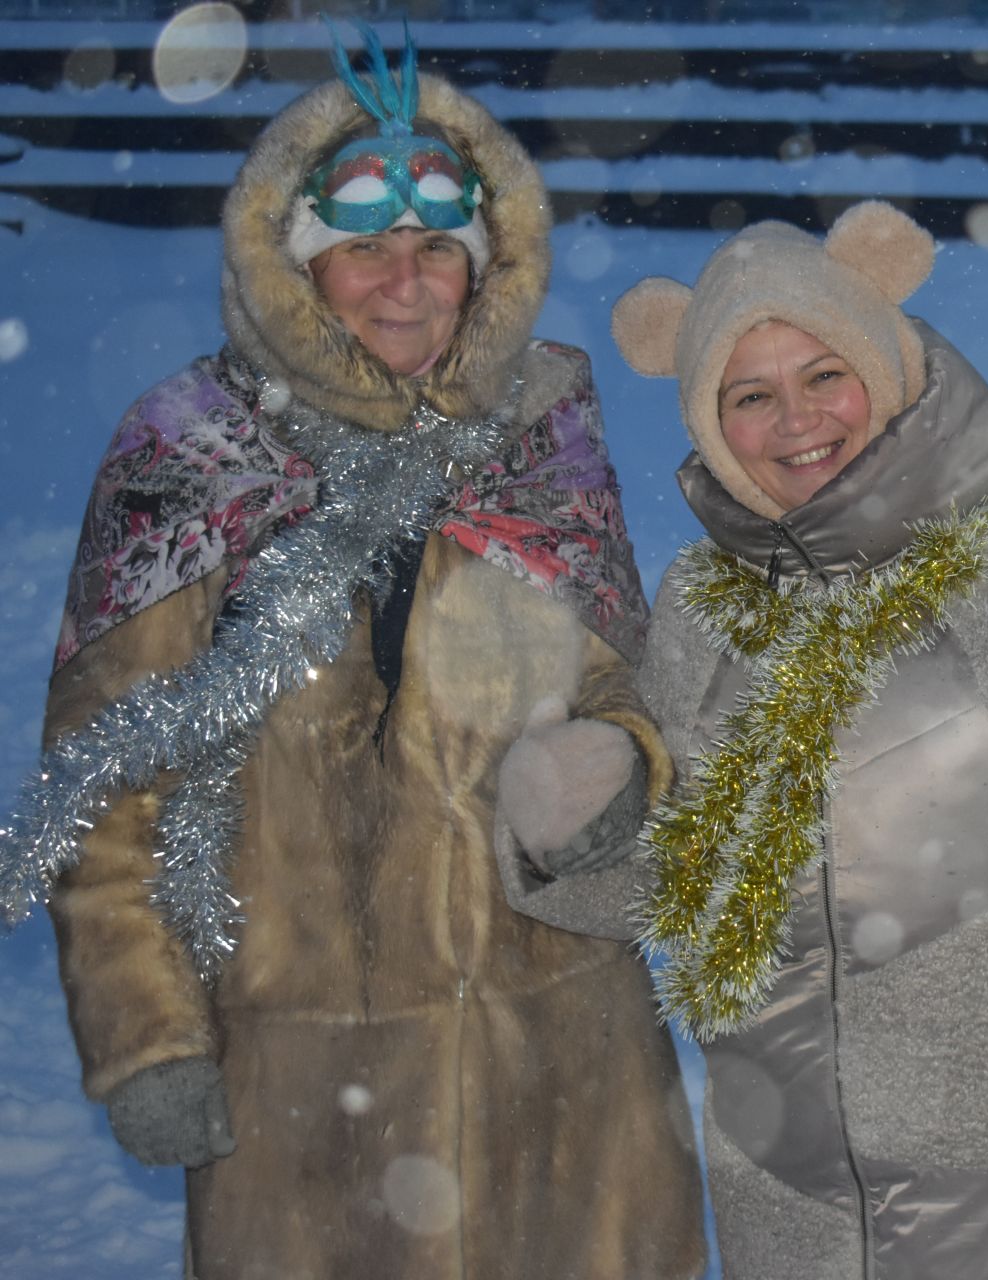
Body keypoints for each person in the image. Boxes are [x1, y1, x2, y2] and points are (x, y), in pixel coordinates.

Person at [0, 25, 703, 1280]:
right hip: (309, 1100)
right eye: (363, 248)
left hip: (570, 1083)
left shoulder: (541, 424)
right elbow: (106, 782)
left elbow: (616, 682)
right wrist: (149, 1037)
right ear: (296, 266)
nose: (406, 281)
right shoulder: (186, 454)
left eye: (439, 246)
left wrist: (620, 763)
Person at [499, 200, 988, 1280]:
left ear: (890, 362)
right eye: (750, 396)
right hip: (790, 1219)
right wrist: (571, 827)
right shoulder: (703, 610)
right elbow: (676, 889)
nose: (795, 421)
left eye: (825, 374)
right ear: (710, 427)